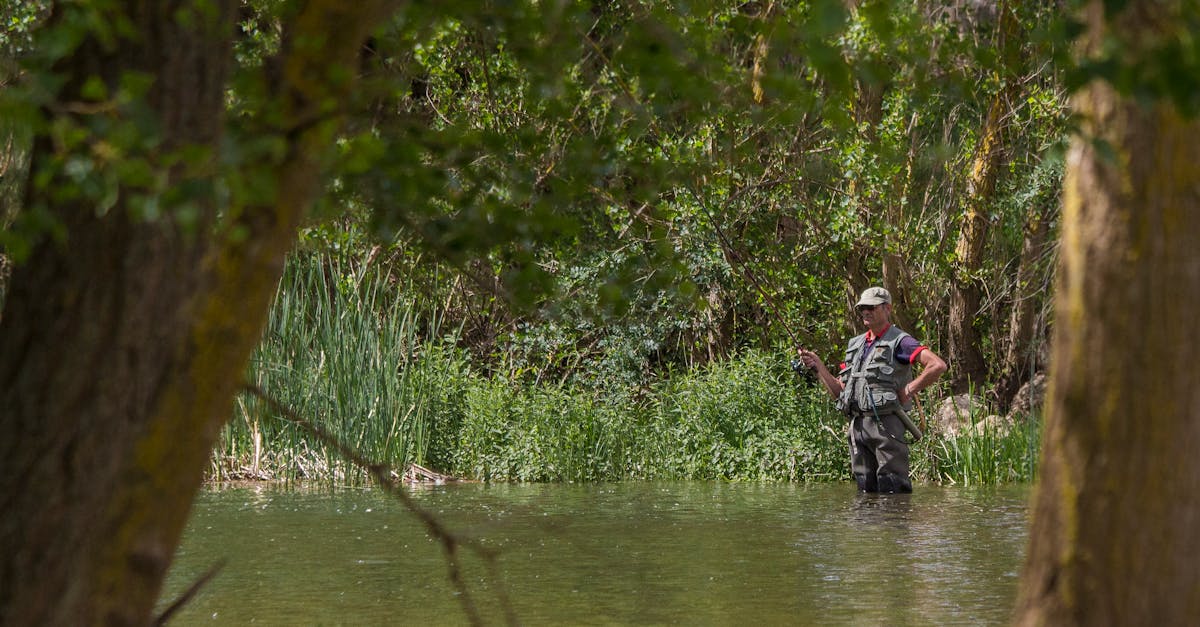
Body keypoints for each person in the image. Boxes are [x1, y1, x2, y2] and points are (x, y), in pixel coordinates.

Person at [797, 286, 947, 493]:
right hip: (857, 428)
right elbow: (840, 391)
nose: (865, 311)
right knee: (865, 490)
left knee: (893, 489)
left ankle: (895, 525)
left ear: (887, 309)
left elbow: (937, 365)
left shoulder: (901, 341)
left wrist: (908, 390)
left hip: (887, 426)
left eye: (871, 307)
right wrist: (818, 366)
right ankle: (869, 526)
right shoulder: (856, 344)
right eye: (862, 308)